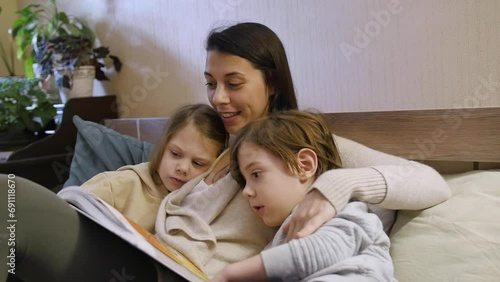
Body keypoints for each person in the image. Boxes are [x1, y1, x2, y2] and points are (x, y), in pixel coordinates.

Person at [0, 22, 450, 281]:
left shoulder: (301, 150)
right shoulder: (215, 141)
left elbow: (430, 182)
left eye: (233, 84)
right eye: (211, 84)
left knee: (12, 202)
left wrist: (334, 187)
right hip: (143, 253)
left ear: (271, 82)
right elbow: (163, 172)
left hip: (175, 275)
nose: (218, 98)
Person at [211, 110, 394, 282]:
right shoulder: (276, 242)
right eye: (245, 182)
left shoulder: (348, 209)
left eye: (256, 174)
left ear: (304, 165)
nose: (246, 192)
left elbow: (324, 251)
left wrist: (230, 273)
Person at [79, 103, 228, 233]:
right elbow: (66, 214)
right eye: (175, 154)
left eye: (197, 163)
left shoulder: (207, 205)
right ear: (162, 147)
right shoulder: (118, 185)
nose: (182, 168)